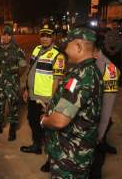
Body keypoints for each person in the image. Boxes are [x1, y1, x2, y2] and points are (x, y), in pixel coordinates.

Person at [42, 27, 103, 178]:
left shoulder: (80, 77)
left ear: (78, 46)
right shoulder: (91, 70)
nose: (65, 51)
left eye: (67, 46)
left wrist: (44, 120)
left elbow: (60, 121)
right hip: (77, 153)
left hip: (69, 157)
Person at [20, 24, 65, 154]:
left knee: (47, 126)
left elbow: (57, 80)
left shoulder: (58, 55)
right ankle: (37, 145)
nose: (45, 38)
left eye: (48, 36)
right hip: (33, 95)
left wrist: (51, 101)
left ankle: (50, 156)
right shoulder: (36, 49)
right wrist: (26, 89)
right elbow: (30, 70)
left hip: (45, 98)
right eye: (43, 35)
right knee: (32, 120)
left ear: (53, 37)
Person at [0, 25, 27, 141]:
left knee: (13, 104)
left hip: (12, 82)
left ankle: (12, 129)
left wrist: (15, 77)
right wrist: (0, 75)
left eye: (8, 35)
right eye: (4, 34)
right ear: (1, 35)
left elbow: (23, 66)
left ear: (11, 36)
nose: (5, 37)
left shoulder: (18, 50)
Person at [89, 33, 120, 179]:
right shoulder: (89, 62)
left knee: (97, 156)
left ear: (94, 48)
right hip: (89, 122)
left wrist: (99, 135)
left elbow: (107, 108)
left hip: (99, 123)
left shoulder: (109, 70)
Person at [103, 19, 122, 86]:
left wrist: (115, 51)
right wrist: (109, 50)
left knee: (118, 67)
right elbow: (106, 42)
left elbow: (121, 43)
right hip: (109, 51)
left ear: (118, 25)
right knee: (110, 67)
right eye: (113, 24)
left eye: (116, 24)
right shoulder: (108, 33)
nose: (114, 26)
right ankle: (110, 83)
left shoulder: (120, 33)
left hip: (117, 52)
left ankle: (119, 83)